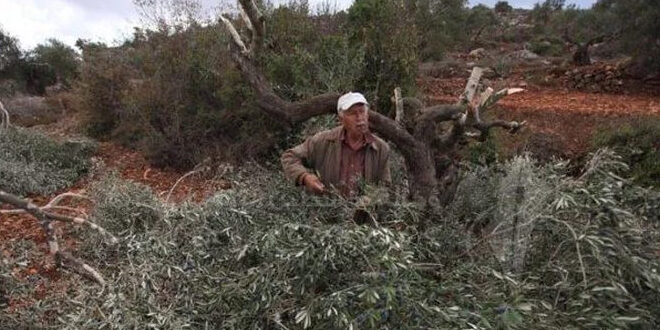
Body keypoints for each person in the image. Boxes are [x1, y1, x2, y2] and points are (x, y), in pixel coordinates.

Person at [281, 92, 391, 197]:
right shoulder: (324, 141)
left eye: (362, 112)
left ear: (367, 116)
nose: (359, 118)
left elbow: (385, 188)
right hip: (327, 213)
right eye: (353, 113)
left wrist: (370, 201)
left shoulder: (380, 148)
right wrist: (304, 177)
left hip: (363, 215)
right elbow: (289, 157)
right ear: (341, 119)